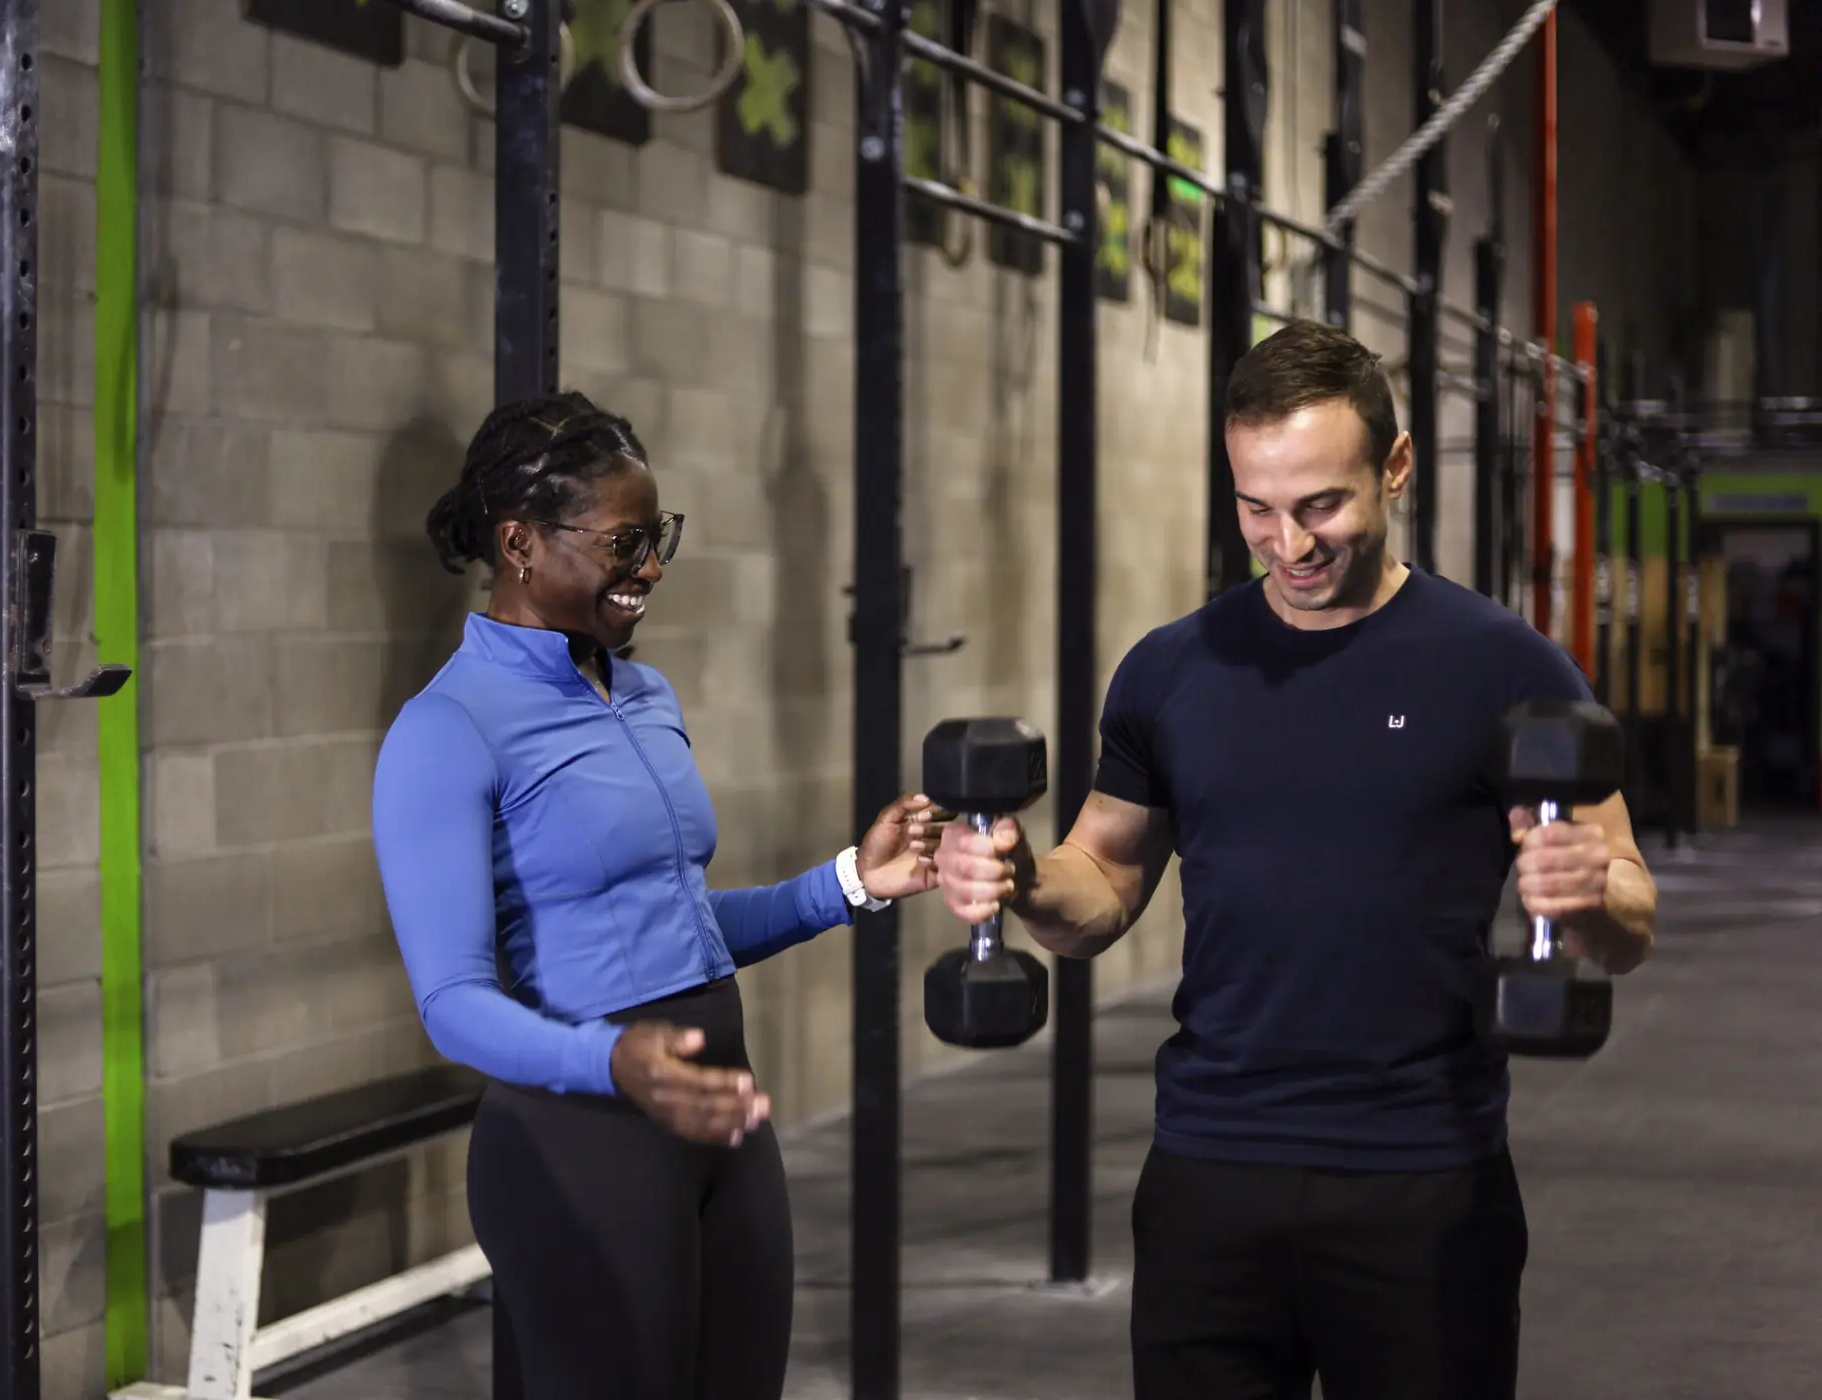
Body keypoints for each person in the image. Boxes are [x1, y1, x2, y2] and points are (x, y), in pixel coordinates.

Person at [934, 320, 1658, 1399]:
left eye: (1322, 503)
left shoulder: (1504, 664)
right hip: (1210, 1170)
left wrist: (1589, 891)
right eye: (1255, 507)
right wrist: (1021, 876)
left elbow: (1630, 913)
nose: (1289, 541)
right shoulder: (1172, 669)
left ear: (1396, 467)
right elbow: (1104, 882)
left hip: (1421, 1173)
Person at [372, 390, 946, 1400]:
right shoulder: (447, 727)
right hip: (579, 1142)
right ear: (519, 543)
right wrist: (610, 1057)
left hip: (720, 1118)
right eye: (626, 540)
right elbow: (451, 1001)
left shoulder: (643, 694)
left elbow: (673, 920)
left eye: (658, 534)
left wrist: (851, 881)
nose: (652, 566)